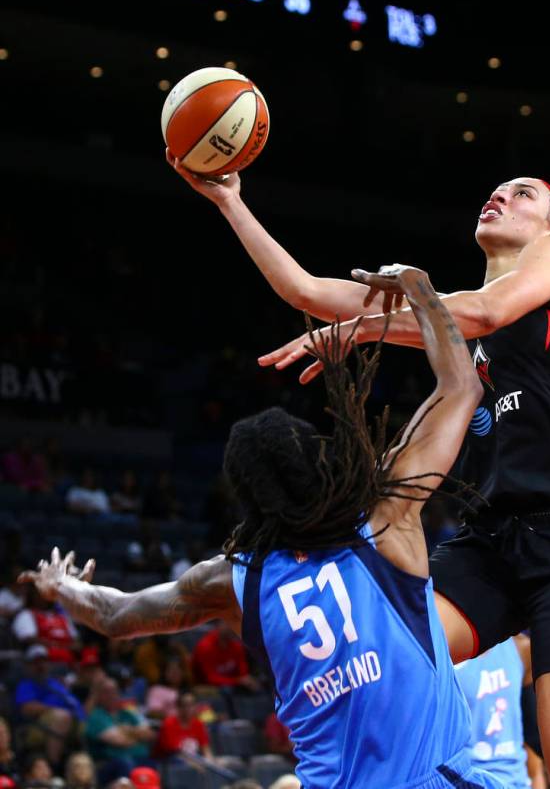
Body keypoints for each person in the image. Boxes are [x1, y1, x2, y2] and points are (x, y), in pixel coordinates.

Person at [166, 156, 550, 788]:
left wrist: (361, 328)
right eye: (495, 190)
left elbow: (484, 314)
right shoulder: (451, 314)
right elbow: (306, 291)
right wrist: (230, 201)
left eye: (522, 195)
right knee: (385, 654)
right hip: (489, 542)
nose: (499, 196)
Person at [20, 265, 501, 789]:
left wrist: (60, 585)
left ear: (248, 499)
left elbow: (115, 615)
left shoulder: (233, 581)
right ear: (322, 466)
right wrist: (419, 286)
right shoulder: (384, 520)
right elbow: (460, 386)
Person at [454, 634, 537, 789]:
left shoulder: (521, 647)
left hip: (517, 782)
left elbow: (530, 734)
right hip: (466, 781)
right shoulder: (442, 652)